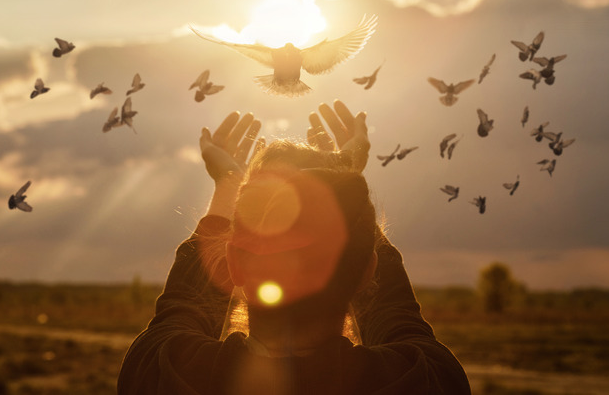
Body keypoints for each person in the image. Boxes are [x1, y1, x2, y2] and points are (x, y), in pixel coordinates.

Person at [117, 100, 471, 394]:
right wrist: (345, 181)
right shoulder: (425, 378)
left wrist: (229, 182)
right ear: (368, 272)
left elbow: (182, 306)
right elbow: (398, 317)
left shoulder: (165, 372)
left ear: (232, 264)